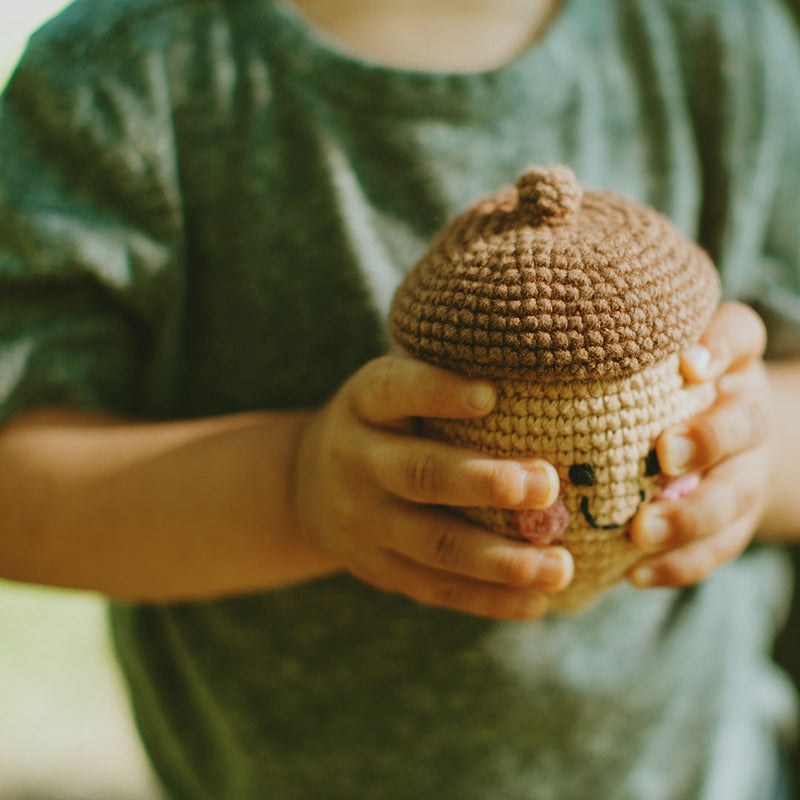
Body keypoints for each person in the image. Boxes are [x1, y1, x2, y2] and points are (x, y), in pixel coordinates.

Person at [0, 0, 799, 797]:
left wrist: (751, 451)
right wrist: (292, 491)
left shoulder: (714, 35)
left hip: (699, 771)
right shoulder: (122, 73)